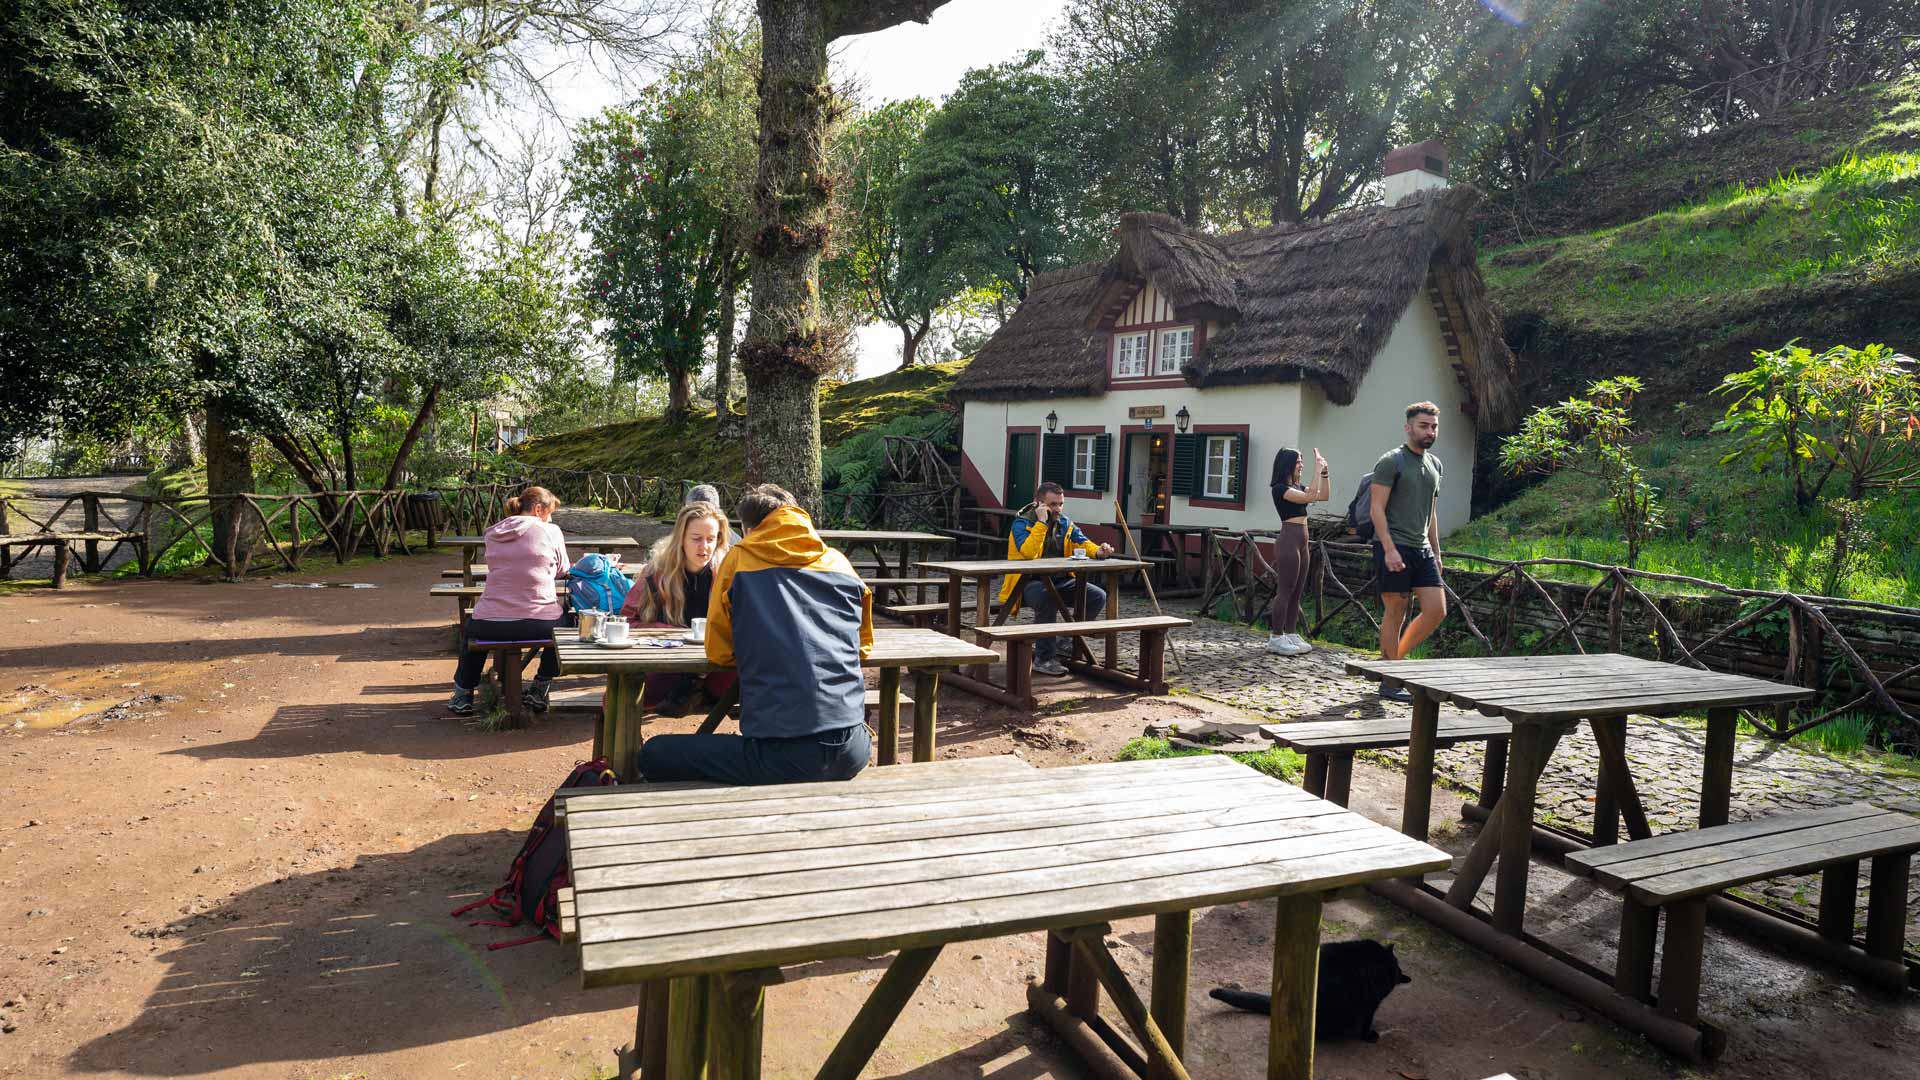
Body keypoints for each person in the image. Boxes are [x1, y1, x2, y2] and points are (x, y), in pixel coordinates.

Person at [636, 484, 875, 785]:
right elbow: (863, 647)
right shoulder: (840, 563)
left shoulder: (739, 561)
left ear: (748, 530)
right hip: (853, 745)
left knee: (654, 754)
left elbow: (719, 652)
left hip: (781, 751)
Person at [448, 485, 569, 716]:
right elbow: (563, 570)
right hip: (539, 623)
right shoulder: (550, 530)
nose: (551, 518)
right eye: (550, 512)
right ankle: (540, 687)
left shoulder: (493, 532)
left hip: (490, 623)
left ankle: (462, 694)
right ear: (538, 509)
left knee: (471, 634)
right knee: (567, 628)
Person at [618, 501, 735, 717]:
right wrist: (665, 631)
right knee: (619, 699)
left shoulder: (727, 574)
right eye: (696, 539)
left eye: (711, 539)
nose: (705, 547)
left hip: (713, 669)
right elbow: (626, 622)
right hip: (667, 668)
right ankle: (625, 749)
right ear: (681, 538)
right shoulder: (655, 574)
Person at [1369, 401, 1448, 701]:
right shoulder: (1391, 461)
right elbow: (1376, 509)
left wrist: (1437, 552)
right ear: (1408, 427)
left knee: (1436, 610)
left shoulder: (1436, 465)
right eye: (1424, 426)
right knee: (1396, 611)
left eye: (1434, 426)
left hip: (1422, 548)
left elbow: (1431, 513)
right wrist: (1389, 549)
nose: (1430, 431)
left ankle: (1391, 664)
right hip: (1394, 545)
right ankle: (1390, 682)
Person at [999, 481, 1115, 677]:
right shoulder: (1022, 523)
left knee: (1097, 596)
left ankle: (1065, 642)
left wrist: (1099, 551)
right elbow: (1028, 553)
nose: (1058, 509)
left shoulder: (1065, 523)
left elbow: (1083, 542)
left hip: (1060, 581)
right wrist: (1042, 523)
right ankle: (1043, 659)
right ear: (1039, 503)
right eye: (1053, 504)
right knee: (1047, 599)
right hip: (1026, 583)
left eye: (1060, 504)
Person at [1267, 446, 1331, 656]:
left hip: (1303, 543)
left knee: (1297, 592)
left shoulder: (1297, 486)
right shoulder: (1280, 489)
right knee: (1285, 590)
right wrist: (1316, 468)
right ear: (1287, 465)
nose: (1301, 465)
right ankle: (1276, 637)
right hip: (1289, 542)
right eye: (1298, 462)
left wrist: (1324, 472)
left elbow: (1324, 496)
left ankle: (1291, 633)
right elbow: (1310, 496)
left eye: (1303, 461)